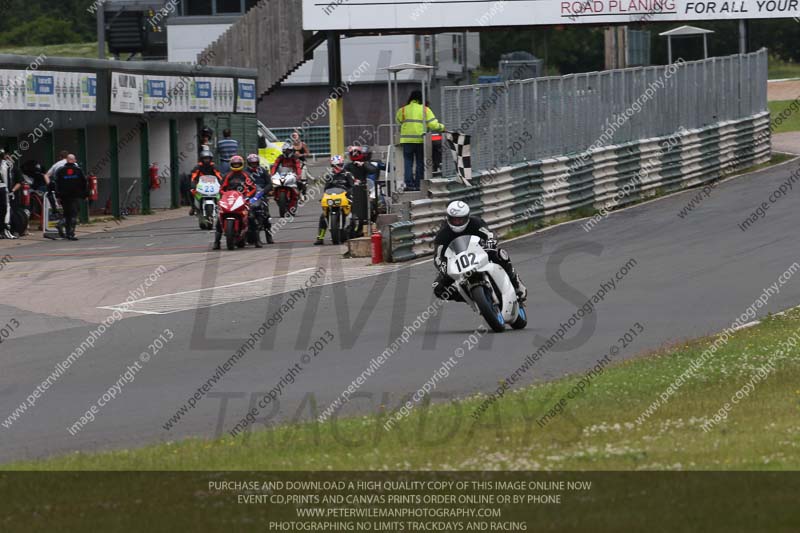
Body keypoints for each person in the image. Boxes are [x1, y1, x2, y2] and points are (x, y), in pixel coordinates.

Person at [431, 201, 527, 303]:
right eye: (454, 220)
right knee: (438, 288)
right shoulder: (443, 233)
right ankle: (470, 298)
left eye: (460, 219)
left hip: (479, 252)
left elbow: (490, 234)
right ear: (448, 218)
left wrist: (491, 242)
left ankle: (516, 283)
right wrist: (442, 265)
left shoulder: (475, 222)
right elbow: (437, 255)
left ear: (467, 217)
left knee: (501, 254)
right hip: (458, 263)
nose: (457, 222)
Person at [396, 90, 445, 191]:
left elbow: (398, 121)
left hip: (407, 141)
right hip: (420, 140)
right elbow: (433, 125)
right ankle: (418, 185)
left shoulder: (403, 110)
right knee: (420, 163)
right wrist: (442, 127)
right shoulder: (425, 110)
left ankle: (409, 184)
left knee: (408, 162)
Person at [213, 155, 258, 250]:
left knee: (251, 217)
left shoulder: (246, 175)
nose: (236, 166)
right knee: (219, 218)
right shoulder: (227, 176)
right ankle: (217, 242)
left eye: (238, 164)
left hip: (242, 199)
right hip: (229, 199)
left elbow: (253, 188)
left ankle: (257, 240)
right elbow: (221, 189)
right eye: (234, 164)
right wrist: (224, 194)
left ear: (242, 164)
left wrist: (248, 196)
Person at [315, 155, 354, 245]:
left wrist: (350, 195)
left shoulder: (347, 174)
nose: (339, 167)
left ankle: (353, 235)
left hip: (345, 198)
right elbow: (326, 188)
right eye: (336, 165)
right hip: (333, 198)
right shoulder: (329, 175)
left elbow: (352, 187)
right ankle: (320, 238)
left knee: (354, 215)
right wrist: (324, 197)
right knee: (322, 217)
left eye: (340, 164)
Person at [53, 155, 88, 241]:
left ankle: (65, 229)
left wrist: (58, 196)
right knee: (74, 215)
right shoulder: (78, 170)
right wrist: (85, 195)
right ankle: (70, 233)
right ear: (73, 160)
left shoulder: (60, 171)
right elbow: (84, 183)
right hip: (75, 196)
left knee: (67, 213)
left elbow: (56, 184)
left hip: (64, 196)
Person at [246, 153, 274, 245]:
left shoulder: (262, 171)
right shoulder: (245, 172)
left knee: (266, 215)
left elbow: (269, 183)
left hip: (261, 194)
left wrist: (263, 191)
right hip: (249, 195)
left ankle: (268, 235)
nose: (254, 165)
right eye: (252, 163)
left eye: (255, 163)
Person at [188, 149, 223, 215]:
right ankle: (193, 207)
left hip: (213, 185)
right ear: (201, 159)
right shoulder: (198, 167)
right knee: (190, 192)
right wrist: (193, 185)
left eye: (208, 158)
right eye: (205, 158)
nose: (206, 160)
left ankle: (221, 206)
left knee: (222, 192)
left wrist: (221, 183)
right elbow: (193, 177)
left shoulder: (214, 166)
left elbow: (219, 176)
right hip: (200, 185)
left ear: (211, 159)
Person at [0, 150, 15, 239]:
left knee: (4, 210)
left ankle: (4, 230)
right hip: (3, 188)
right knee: (5, 210)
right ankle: (4, 230)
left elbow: (12, 164)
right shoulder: (5, 164)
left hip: (3, 188)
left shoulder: (6, 164)